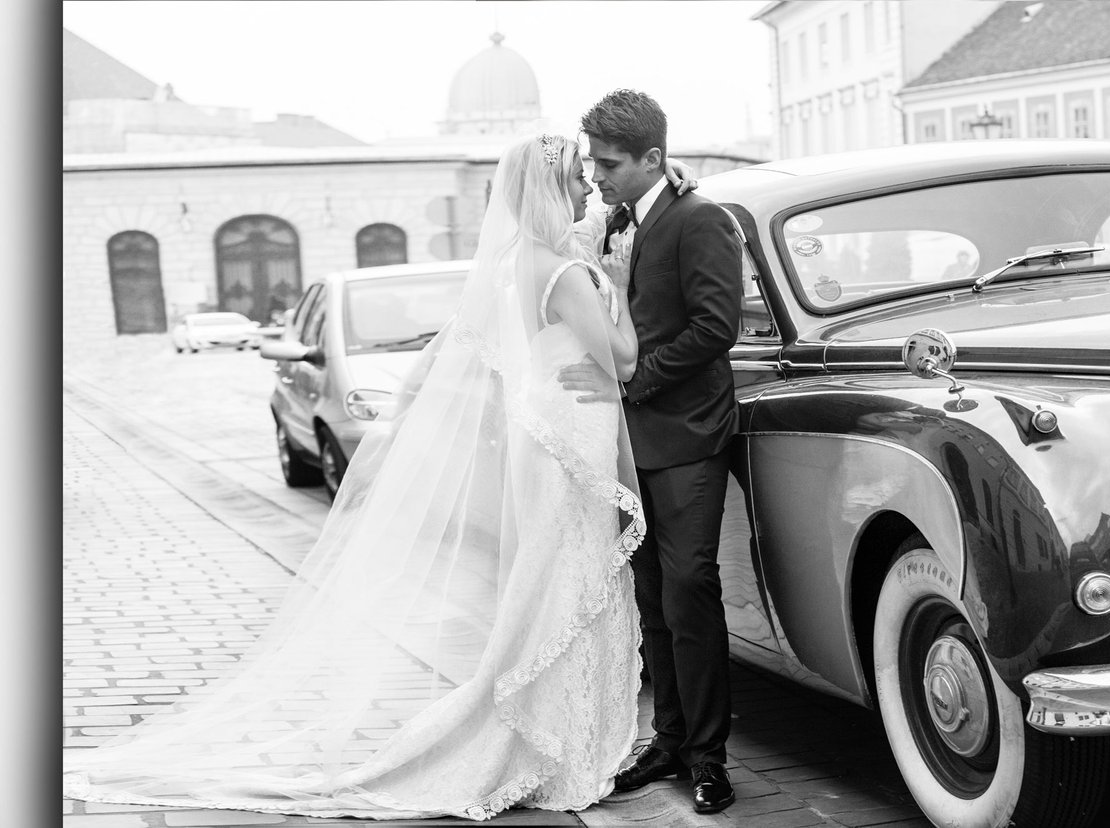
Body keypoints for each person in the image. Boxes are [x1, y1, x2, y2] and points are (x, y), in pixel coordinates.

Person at [63, 130, 694, 820]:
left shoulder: (523, 262)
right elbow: (625, 363)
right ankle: (543, 743)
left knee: (554, 589)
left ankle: (547, 736)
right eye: (577, 177)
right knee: (569, 591)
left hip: (552, 432)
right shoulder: (565, 272)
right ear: (549, 188)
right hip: (571, 438)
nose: (585, 188)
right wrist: (623, 294)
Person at [561, 89, 744, 815]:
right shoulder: (613, 219)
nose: (598, 175)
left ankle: (709, 759)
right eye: (595, 163)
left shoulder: (701, 220)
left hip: (691, 435)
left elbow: (714, 328)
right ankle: (668, 741)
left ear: (654, 160)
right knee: (653, 601)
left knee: (691, 589)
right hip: (627, 443)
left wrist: (631, 381)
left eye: (610, 164)